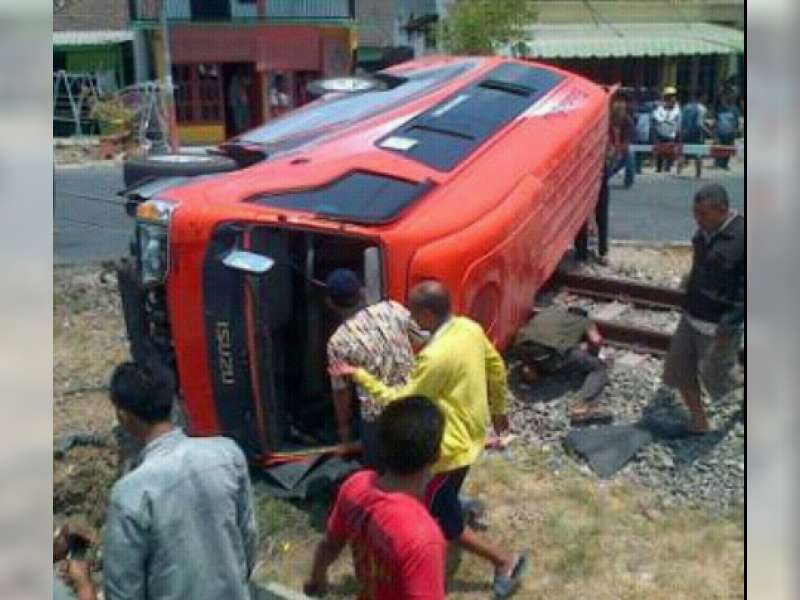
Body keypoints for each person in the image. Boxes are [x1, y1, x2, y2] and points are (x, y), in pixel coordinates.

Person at [330, 281, 528, 599]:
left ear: (426, 313)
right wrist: (499, 412)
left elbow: (402, 400)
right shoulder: (468, 328)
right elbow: (496, 368)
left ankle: (505, 560)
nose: (409, 315)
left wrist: (359, 375)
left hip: (446, 450)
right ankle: (452, 501)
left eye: (413, 310)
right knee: (441, 497)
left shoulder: (435, 357)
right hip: (473, 433)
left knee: (446, 522)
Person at [102, 362, 258, 599]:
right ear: (172, 403)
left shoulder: (130, 494)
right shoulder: (227, 455)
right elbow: (248, 539)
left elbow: (124, 591)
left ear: (124, 416)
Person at [304, 396, 448, 599]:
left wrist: (315, 579)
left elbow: (330, 544)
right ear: (437, 455)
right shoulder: (423, 539)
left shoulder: (355, 485)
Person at [662, 184, 744, 433]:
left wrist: (730, 323)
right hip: (691, 316)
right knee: (679, 370)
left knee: (718, 379)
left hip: (719, 323)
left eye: (703, 215)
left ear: (722, 210)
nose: (698, 220)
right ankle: (700, 422)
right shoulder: (703, 234)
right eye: (695, 214)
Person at [325, 268, 419, 467]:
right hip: (414, 399)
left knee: (379, 472)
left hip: (379, 416)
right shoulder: (393, 308)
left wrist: (345, 435)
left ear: (330, 303)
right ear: (362, 292)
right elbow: (420, 339)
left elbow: (341, 392)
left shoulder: (338, 342)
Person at [513, 306, 611, 424]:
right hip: (549, 353)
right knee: (598, 368)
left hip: (521, 348)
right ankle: (582, 407)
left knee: (538, 353)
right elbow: (596, 340)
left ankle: (530, 370)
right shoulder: (585, 321)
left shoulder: (549, 311)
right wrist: (593, 354)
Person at [678, 92, 711, 179]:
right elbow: (699, 124)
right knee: (698, 154)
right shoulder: (702, 108)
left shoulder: (686, 107)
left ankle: (679, 172)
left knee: (684, 152)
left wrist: (681, 132)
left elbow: (681, 121)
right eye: (705, 97)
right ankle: (698, 174)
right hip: (697, 134)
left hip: (686, 133)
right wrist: (709, 132)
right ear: (702, 97)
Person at [607, 93, 636, 188]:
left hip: (620, 146)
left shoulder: (628, 122)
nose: (619, 105)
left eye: (622, 102)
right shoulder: (606, 119)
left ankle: (628, 181)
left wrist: (619, 149)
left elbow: (627, 140)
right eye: (617, 102)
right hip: (606, 145)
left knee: (630, 154)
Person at [652, 86, 682, 173]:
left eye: (673, 96)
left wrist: (678, 131)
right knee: (660, 151)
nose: (672, 98)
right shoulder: (660, 107)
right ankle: (659, 167)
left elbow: (678, 121)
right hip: (661, 131)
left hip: (671, 132)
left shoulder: (677, 108)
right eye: (670, 96)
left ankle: (668, 167)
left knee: (670, 151)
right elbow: (656, 117)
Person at [713, 95, 741, 170]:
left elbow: (737, 121)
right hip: (720, 132)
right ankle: (718, 163)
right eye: (724, 100)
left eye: (727, 100)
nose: (724, 102)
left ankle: (725, 164)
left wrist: (737, 129)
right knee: (720, 147)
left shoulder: (734, 110)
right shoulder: (719, 109)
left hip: (730, 132)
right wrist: (715, 131)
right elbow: (716, 120)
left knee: (728, 148)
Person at [228, 70, 251, 135]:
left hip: (242, 102)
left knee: (244, 119)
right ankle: (240, 133)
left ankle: (244, 132)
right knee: (238, 120)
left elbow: (248, 82)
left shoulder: (242, 79)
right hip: (237, 103)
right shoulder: (235, 80)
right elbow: (233, 92)